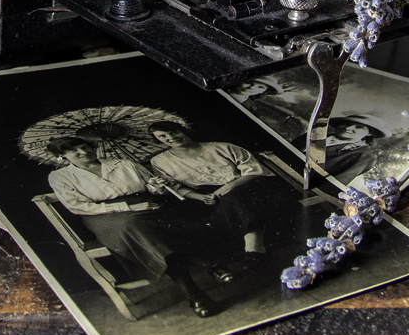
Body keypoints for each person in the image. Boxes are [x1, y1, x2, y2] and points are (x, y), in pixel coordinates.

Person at [45, 136, 219, 317]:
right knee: (134, 226)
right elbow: (77, 206)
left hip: (147, 206)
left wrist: (157, 187)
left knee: (153, 227)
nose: (84, 152)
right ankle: (197, 289)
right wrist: (127, 207)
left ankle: (204, 276)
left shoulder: (124, 163)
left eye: (85, 146)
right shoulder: (59, 176)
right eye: (74, 150)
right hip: (104, 216)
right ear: (62, 156)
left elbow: (151, 187)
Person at [147, 122, 276, 268]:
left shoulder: (221, 147)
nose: (170, 137)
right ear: (158, 140)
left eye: (173, 132)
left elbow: (254, 170)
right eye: (162, 136)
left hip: (243, 186)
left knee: (235, 198)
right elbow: (176, 188)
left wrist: (228, 187)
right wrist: (200, 197)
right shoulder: (160, 161)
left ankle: (254, 249)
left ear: (183, 130)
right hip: (205, 197)